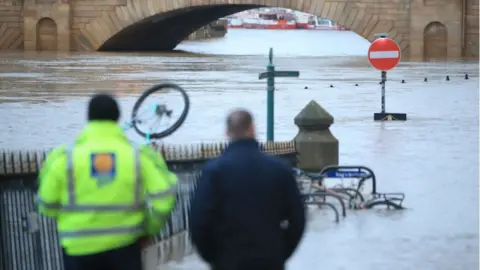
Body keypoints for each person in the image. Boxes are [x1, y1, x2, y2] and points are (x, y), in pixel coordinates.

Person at [36, 93, 178, 270]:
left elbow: (46, 203)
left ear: (88, 117)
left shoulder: (64, 156)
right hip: (125, 246)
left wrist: (71, 220)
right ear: (118, 117)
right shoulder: (138, 155)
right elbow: (165, 198)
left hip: (78, 249)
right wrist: (149, 229)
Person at [189, 109, 306, 270]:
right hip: (269, 260)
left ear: (227, 132)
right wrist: (280, 252)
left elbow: (198, 221)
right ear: (252, 129)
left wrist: (214, 257)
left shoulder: (214, 171)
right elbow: (298, 218)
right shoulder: (279, 169)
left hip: (228, 260)